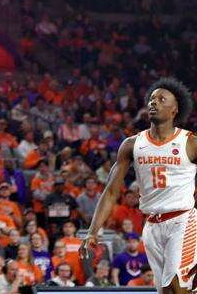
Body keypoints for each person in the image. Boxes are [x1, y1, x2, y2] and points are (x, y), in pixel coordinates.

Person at [81, 77, 195, 292]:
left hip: (182, 220)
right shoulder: (132, 144)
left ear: (175, 109)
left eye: (162, 99)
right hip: (151, 225)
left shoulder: (189, 142)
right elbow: (111, 191)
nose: (154, 103)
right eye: (152, 99)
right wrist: (92, 231)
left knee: (177, 287)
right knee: (166, 291)